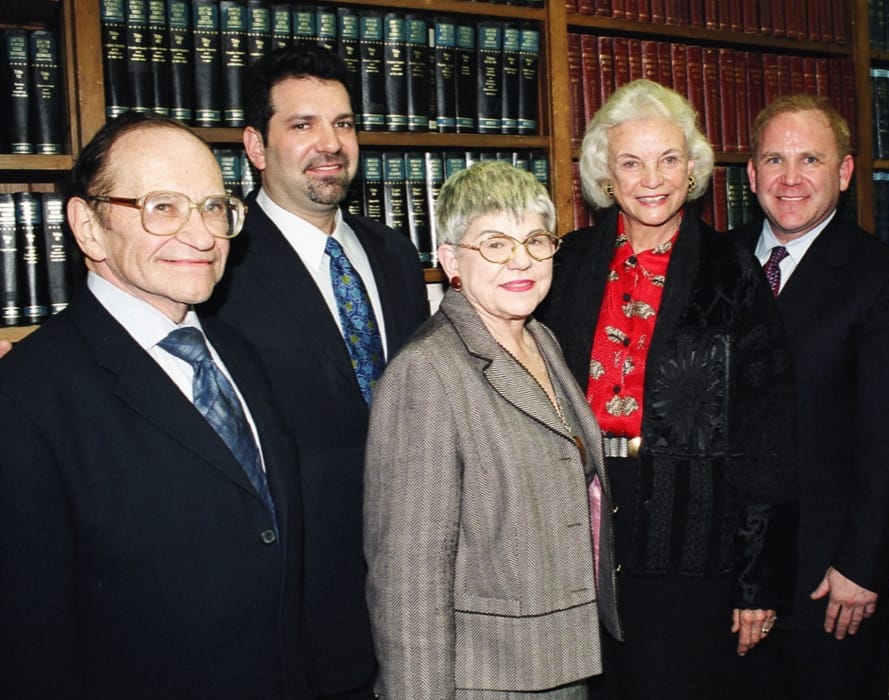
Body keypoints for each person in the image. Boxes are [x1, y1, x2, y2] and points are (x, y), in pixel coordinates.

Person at [0, 112, 307, 698]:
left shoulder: (240, 355)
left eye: (215, 207)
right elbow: (29, 643)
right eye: (163, 207)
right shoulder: (25, 401)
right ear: (89, 228)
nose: (201, 235)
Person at [536, 78, 797, 699]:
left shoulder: (730, 270)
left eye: (668, 159)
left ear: (692, 168)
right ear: (606, 174)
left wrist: (758, 581)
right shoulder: (565, 263)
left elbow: (768, 434)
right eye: (631, 162)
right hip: (578, 536)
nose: (651, 178)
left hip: (692, 536)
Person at [200, 45, 429, 698]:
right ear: (255, 144)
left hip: (414, 590)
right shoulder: (218, 267)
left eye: (345, 123)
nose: (330, 143)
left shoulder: (392, 253)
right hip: (293, 608)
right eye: (302, 125)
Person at [363, 160, 621, 698]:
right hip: (486, 677)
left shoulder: (541, 340)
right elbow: (410, 579)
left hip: (563, 660)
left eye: (534, 240)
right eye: (496, 245)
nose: (521, 260)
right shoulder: (427, 373)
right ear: (450, 260)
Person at [729, 94, 889, 699]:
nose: (789, 179)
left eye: (810, 159)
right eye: (774, 160)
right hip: (717, 576)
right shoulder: (713, 263)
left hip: (826, 582)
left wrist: (864, 565)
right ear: (751, 174)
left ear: (843, 172)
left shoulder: (882, 278)